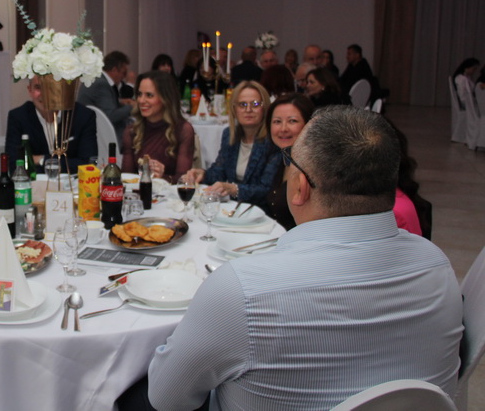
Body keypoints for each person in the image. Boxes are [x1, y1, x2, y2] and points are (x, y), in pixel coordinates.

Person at [144, 106, 464, 411]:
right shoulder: (436, 265)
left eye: (290, 160)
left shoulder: (242, 290)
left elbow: (167, 398)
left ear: (300, 188)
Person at [185, 81, 279, 205]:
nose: (248, 109)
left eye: (255, 104)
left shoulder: (273, 140)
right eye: (242, 104)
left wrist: (234, 189)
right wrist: (202, 174)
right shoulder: (229, 135)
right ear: (234, 109)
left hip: (261, 210)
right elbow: (219, 172)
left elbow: (267, 189)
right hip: (232, 207)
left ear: (265, 108)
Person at [6, 76, 98, 174]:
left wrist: (41, 160)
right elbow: (14, 166)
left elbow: (88, 164)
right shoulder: (18, 117)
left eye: (51, 87)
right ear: (30, 90)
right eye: (38, 87)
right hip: (35, 183)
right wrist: (63, 165)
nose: (45, 94)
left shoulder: (83, 116)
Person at [121, 71, 194, 182]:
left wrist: (162, 177)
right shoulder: (132, 131)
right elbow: (127, 178)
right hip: (138, 191)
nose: (141, 100)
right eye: (139, 94)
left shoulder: (182, 130)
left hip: (170, 192)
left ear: (165, 99)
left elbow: (184, 181)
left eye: (149, 95)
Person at [263, 93, 314, 230]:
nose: (283, 129)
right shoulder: (281, 159)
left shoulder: (313, 169)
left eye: (292, 121)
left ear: (308, 125)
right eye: (277, 122)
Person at [77, 51, 135, 140]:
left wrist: (120, 102)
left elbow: (99, 103)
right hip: (99, 136)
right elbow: (110, 116)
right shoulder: (101, 84)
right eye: (124, 73)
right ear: (114, 70)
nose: (124, 77)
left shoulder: (96, 78)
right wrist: (132, 106)